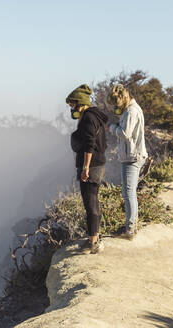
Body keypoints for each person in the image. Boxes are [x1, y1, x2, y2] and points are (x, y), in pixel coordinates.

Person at [67, 84, 108, 254]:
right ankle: (94, 237)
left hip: (91, 166)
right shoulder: (95, 116)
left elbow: (90, 145)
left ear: (80, 102)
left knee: (90, 203)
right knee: (92, 202)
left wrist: (85, 168)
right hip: (97, 164)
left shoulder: (89, 118)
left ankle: (92, 243)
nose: (72, 108)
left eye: (72, 105)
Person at [107, 84, 148, 240]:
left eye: (115, 104)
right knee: (129, 193)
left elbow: (125, 133)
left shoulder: (131, 111)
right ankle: (131, 226)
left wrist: (112, 128)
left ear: (121, 99)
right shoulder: (132, 109)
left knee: (129, 193)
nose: (114, 108)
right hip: (132, 156)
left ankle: (130, 230)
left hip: (132, 157)